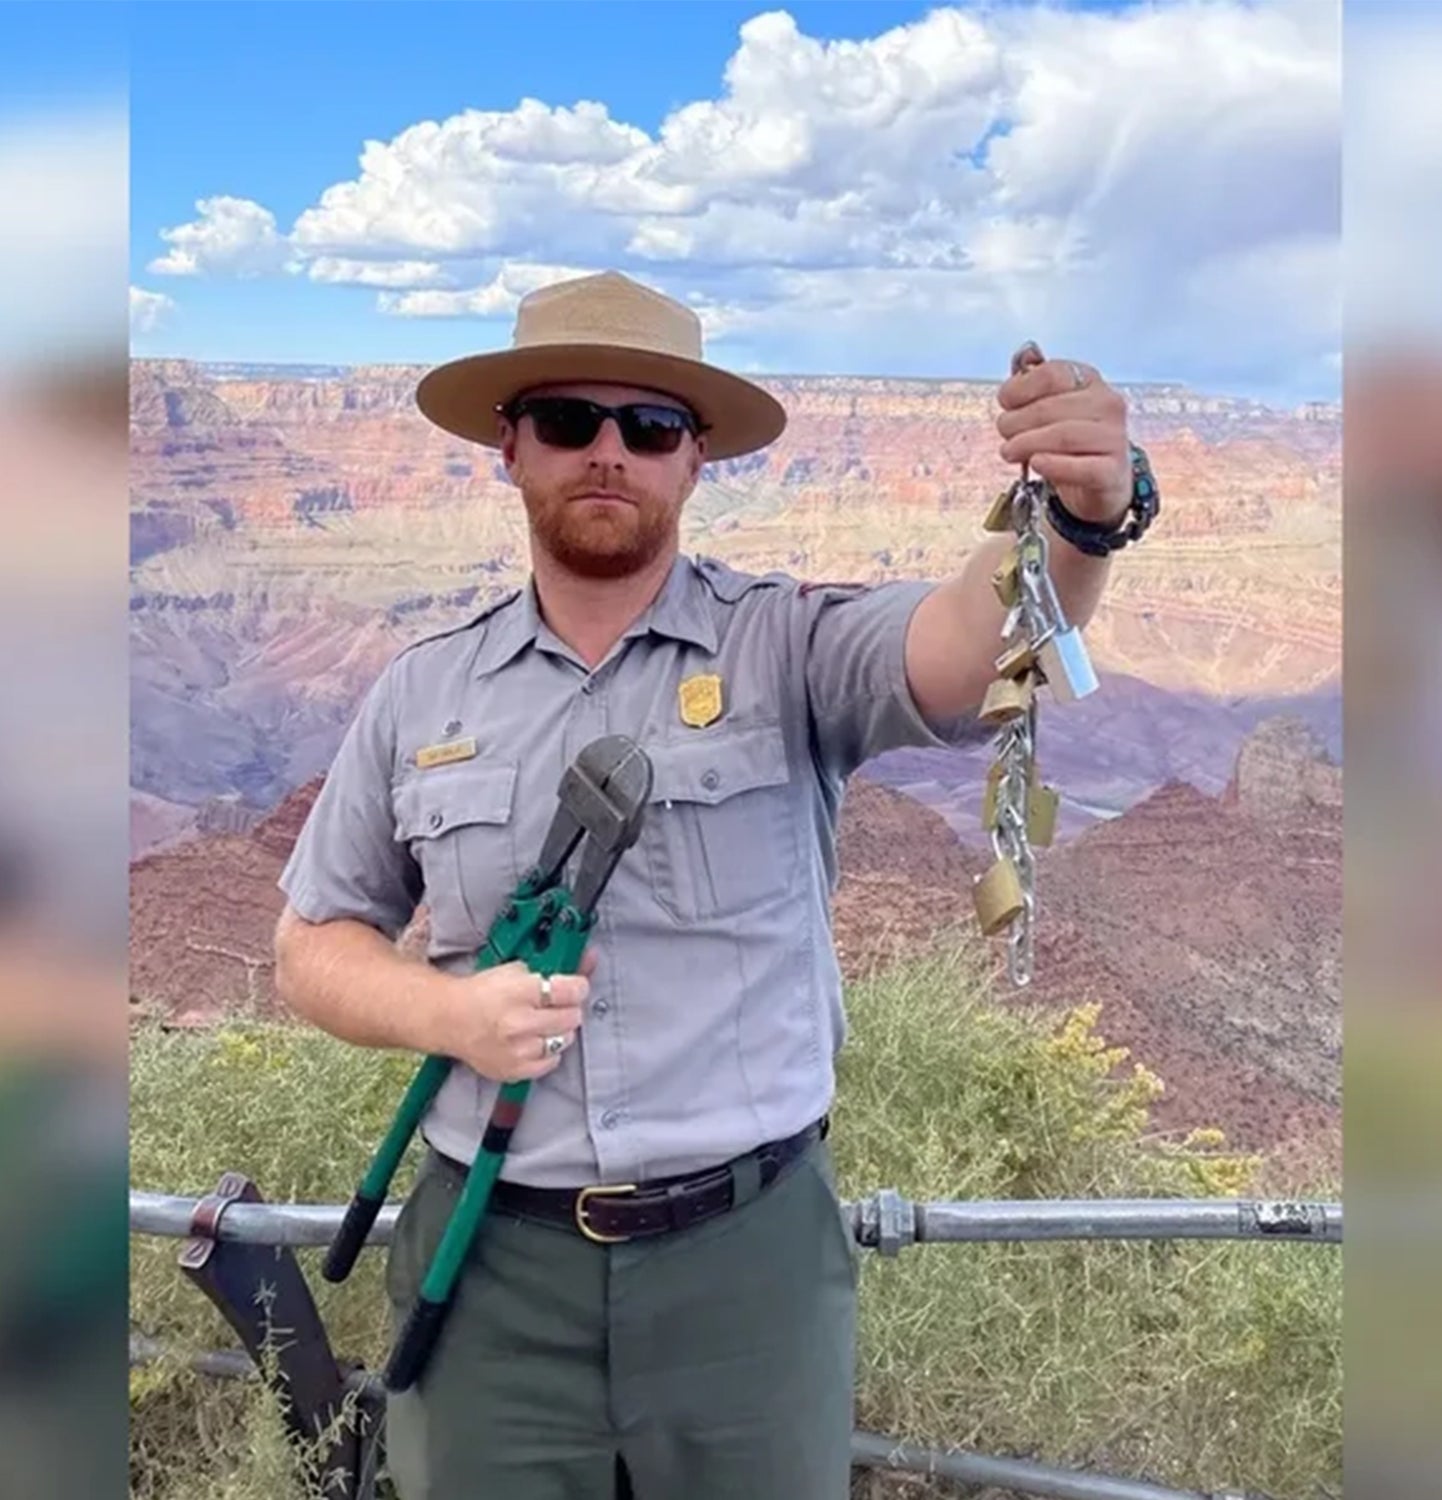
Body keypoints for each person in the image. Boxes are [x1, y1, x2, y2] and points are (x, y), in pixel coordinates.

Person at [272, 269, 1152, 1499]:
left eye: (650, 427)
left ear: (695, 462)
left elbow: (969, 646)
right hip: (484, 1266)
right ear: (509, 449)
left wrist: (1083, 515)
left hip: (747, 1266)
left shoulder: (786, 644)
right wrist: (446, 1015)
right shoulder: (420, 694)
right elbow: (311, 943)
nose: (609, 453)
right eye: (570, 422)